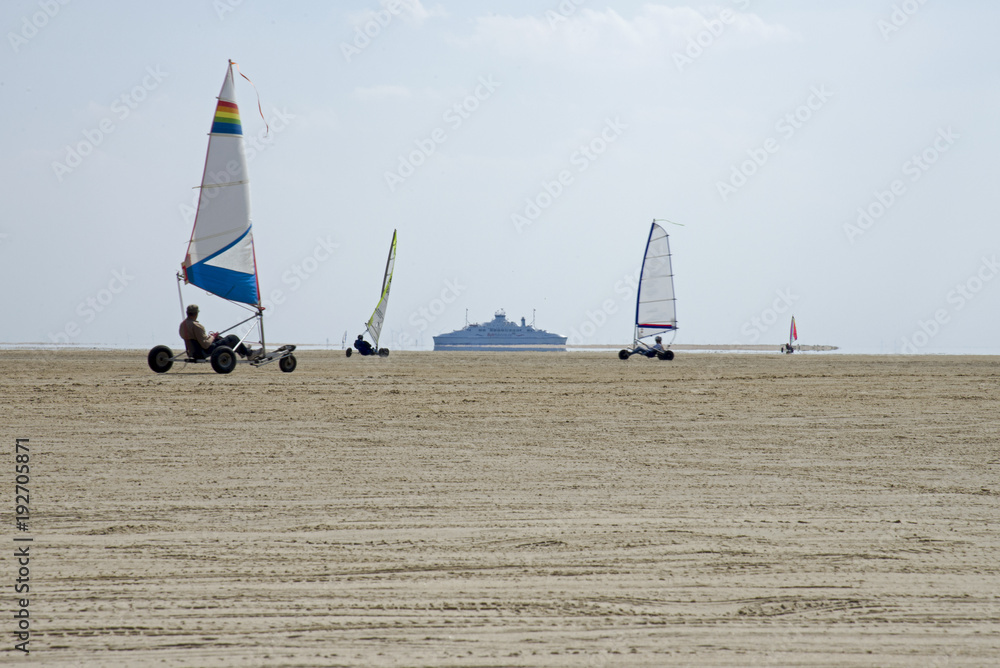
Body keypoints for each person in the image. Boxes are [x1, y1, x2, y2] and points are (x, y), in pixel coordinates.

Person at [179, 304, 256, 360]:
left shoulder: (183, 325)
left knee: (219, 338)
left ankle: (243, 351)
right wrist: (213, 337)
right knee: (232, 338)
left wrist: (212, 337)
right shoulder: (196, 326)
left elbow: (197, 339)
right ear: (196, 314)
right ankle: (249, 353)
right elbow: (205, 345)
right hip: (203, 352)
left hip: (192, 352)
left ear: (187, 313)